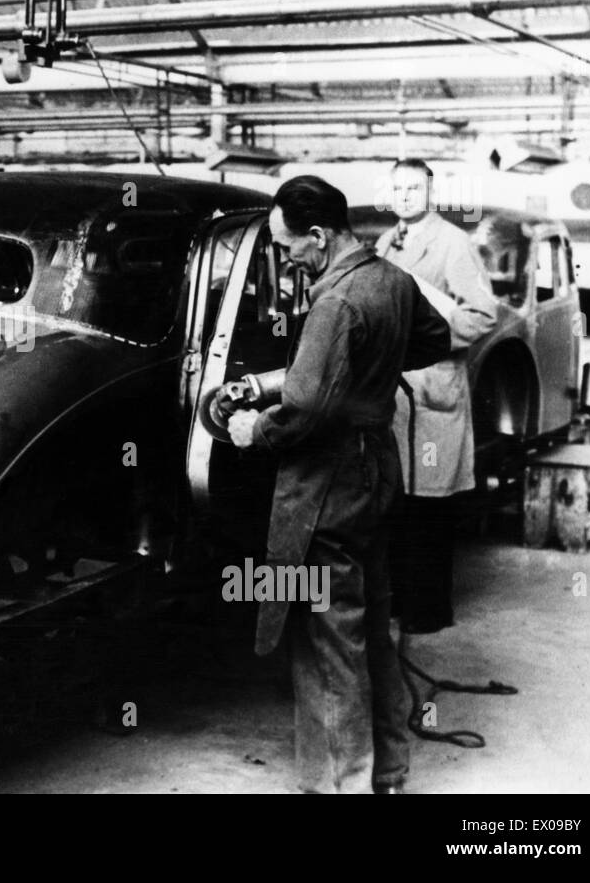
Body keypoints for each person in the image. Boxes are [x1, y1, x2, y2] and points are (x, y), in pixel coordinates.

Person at [226, 175, 450, 794]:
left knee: (327, 638)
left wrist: (253, 430)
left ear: (319, 237)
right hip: (378, 470)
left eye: (288, 246)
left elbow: (301, 411)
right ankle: (390, 772)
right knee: (371, 626)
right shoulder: (395, 280)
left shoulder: (336, 302)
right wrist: (364, 373)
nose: (285, 257)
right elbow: (436, 338)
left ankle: (342, 785)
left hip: (328, 484)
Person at [376, 159, 497, 633]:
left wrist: (430, 335)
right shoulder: (387, 243)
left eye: (414, 187)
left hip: (432, 388)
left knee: (429, 505)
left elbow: (482, 316)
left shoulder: (452, 243)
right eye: (398, 188)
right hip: (394, 394)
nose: (405, 196)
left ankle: (427, 611)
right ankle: (397, 601)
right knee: (396, 500)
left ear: (431, 191)